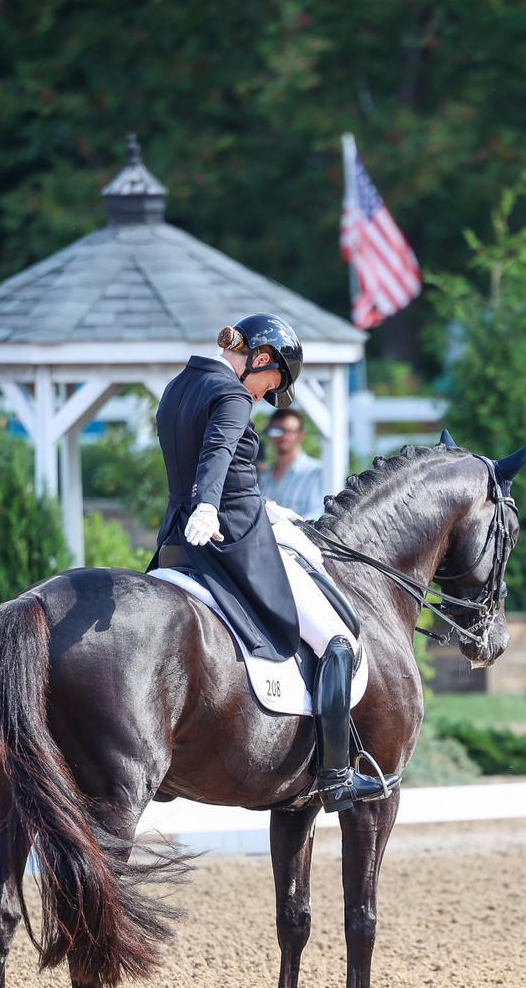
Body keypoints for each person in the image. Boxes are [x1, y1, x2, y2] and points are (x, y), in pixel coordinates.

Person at [153, 313, 393, 811]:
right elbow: (218, 452)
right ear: (260, 359)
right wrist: (209, 504)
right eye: (272, 382)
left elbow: (205, 459)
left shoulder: (180, 386)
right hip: (231, 538)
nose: (265, 395)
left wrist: (256, 504)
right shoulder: (232, 394)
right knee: (337, 639)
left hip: (180, 539)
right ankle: (335, 776)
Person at [257, 407, 325, 518]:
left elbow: (318, 517)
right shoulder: (263, 476)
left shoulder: (317, 473)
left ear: (301, 435)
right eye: (276, 431)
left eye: (289, 431)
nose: (282, 436)